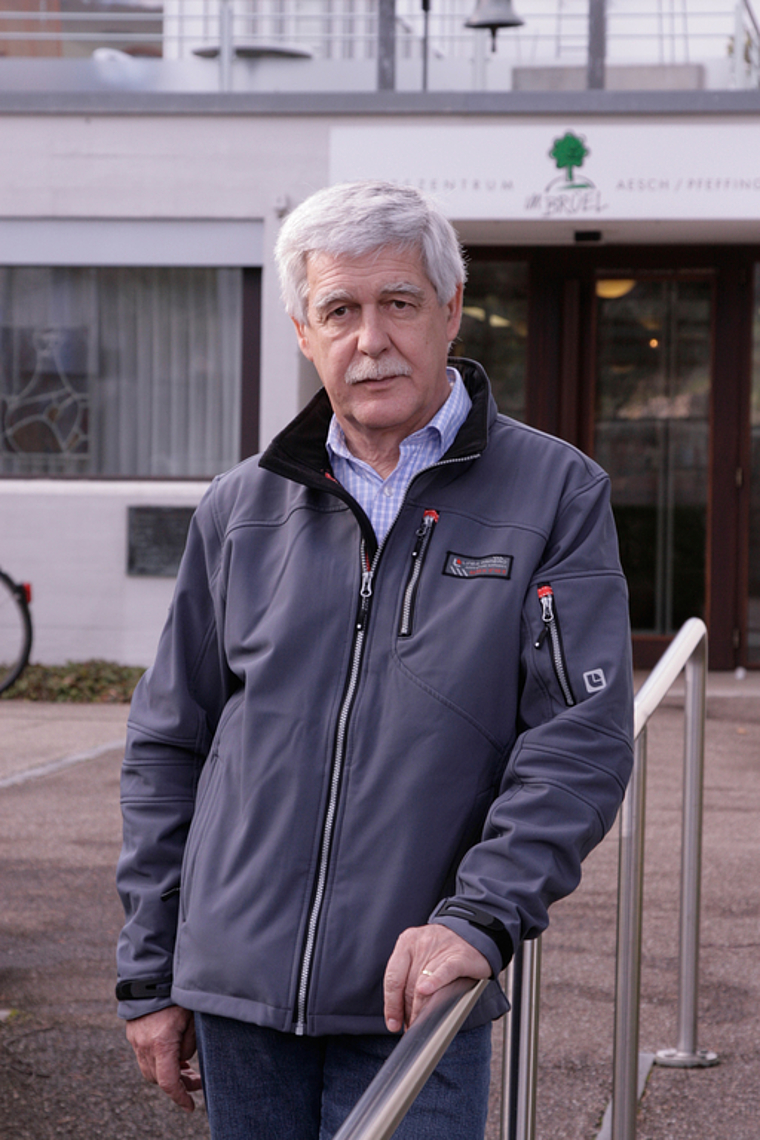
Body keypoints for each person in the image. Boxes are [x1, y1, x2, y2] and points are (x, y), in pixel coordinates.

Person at [116, 180, 633, 1140]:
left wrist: (479, 919)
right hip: (236, 996)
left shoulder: (557, 491)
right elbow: (168, 744)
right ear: (304, 332)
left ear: (450, 311)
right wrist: (152, 968)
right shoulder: (239, 509)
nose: (371, 338)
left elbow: (578, 742)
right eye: (339, 311)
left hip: (415, 991)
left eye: (397, 303)